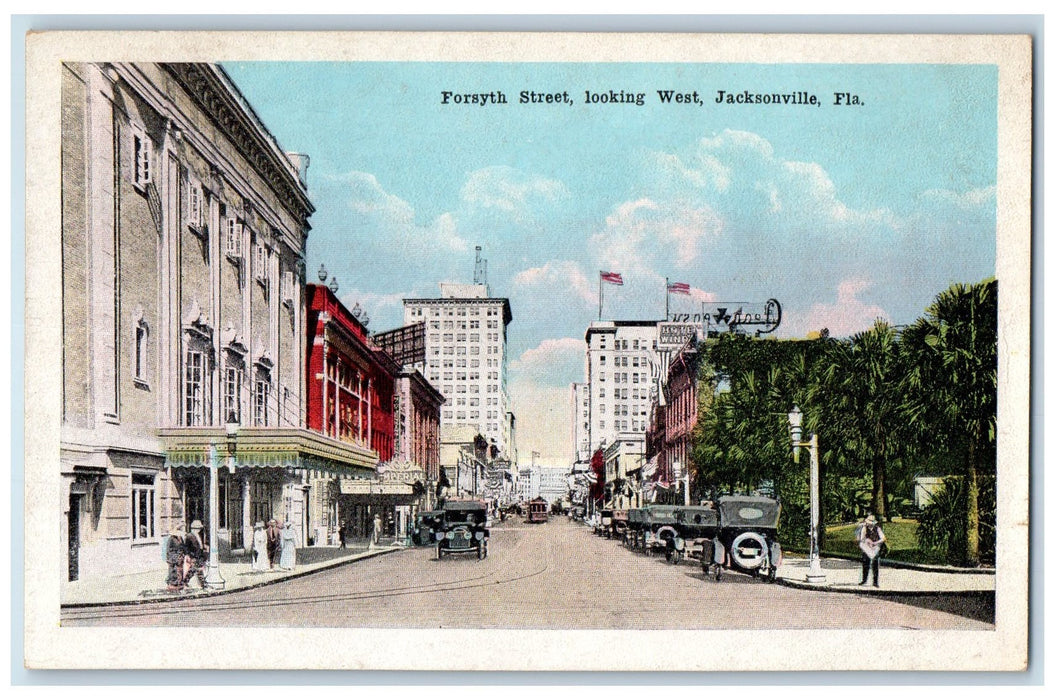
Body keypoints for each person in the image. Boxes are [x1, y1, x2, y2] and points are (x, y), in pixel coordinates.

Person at [856, 514, 887, 587]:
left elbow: (883, 538)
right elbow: (862, 538)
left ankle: (875, 582)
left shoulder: (877, 528)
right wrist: (868, 541)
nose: (869, 524)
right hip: (866, 548)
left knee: (875, 565)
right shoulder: (864, 528)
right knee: (865, 564)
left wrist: (876, 543)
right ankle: (864, 580)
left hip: (875, 548)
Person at [183, 520, 208, 589]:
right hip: (193, 556)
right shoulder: (189, 536)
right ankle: (202, 584)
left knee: (197, 570)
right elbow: (186, 547)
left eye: (199, 528)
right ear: (193, 528)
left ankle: (202, 583)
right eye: (198, 528)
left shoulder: (198, 535)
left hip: (199, 555)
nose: (199, 530)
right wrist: (188, 555)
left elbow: (200, 545)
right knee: (195, 570)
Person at [165, 526, 186, 592]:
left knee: (180, 571)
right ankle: (173, 584)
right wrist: (173, 558)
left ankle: (179, 584)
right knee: (173, 571)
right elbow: (169, 550)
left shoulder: (181, 538)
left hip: (180, 558)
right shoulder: (171, 539)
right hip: (173, 559)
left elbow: (183, 547)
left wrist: (182, 555)